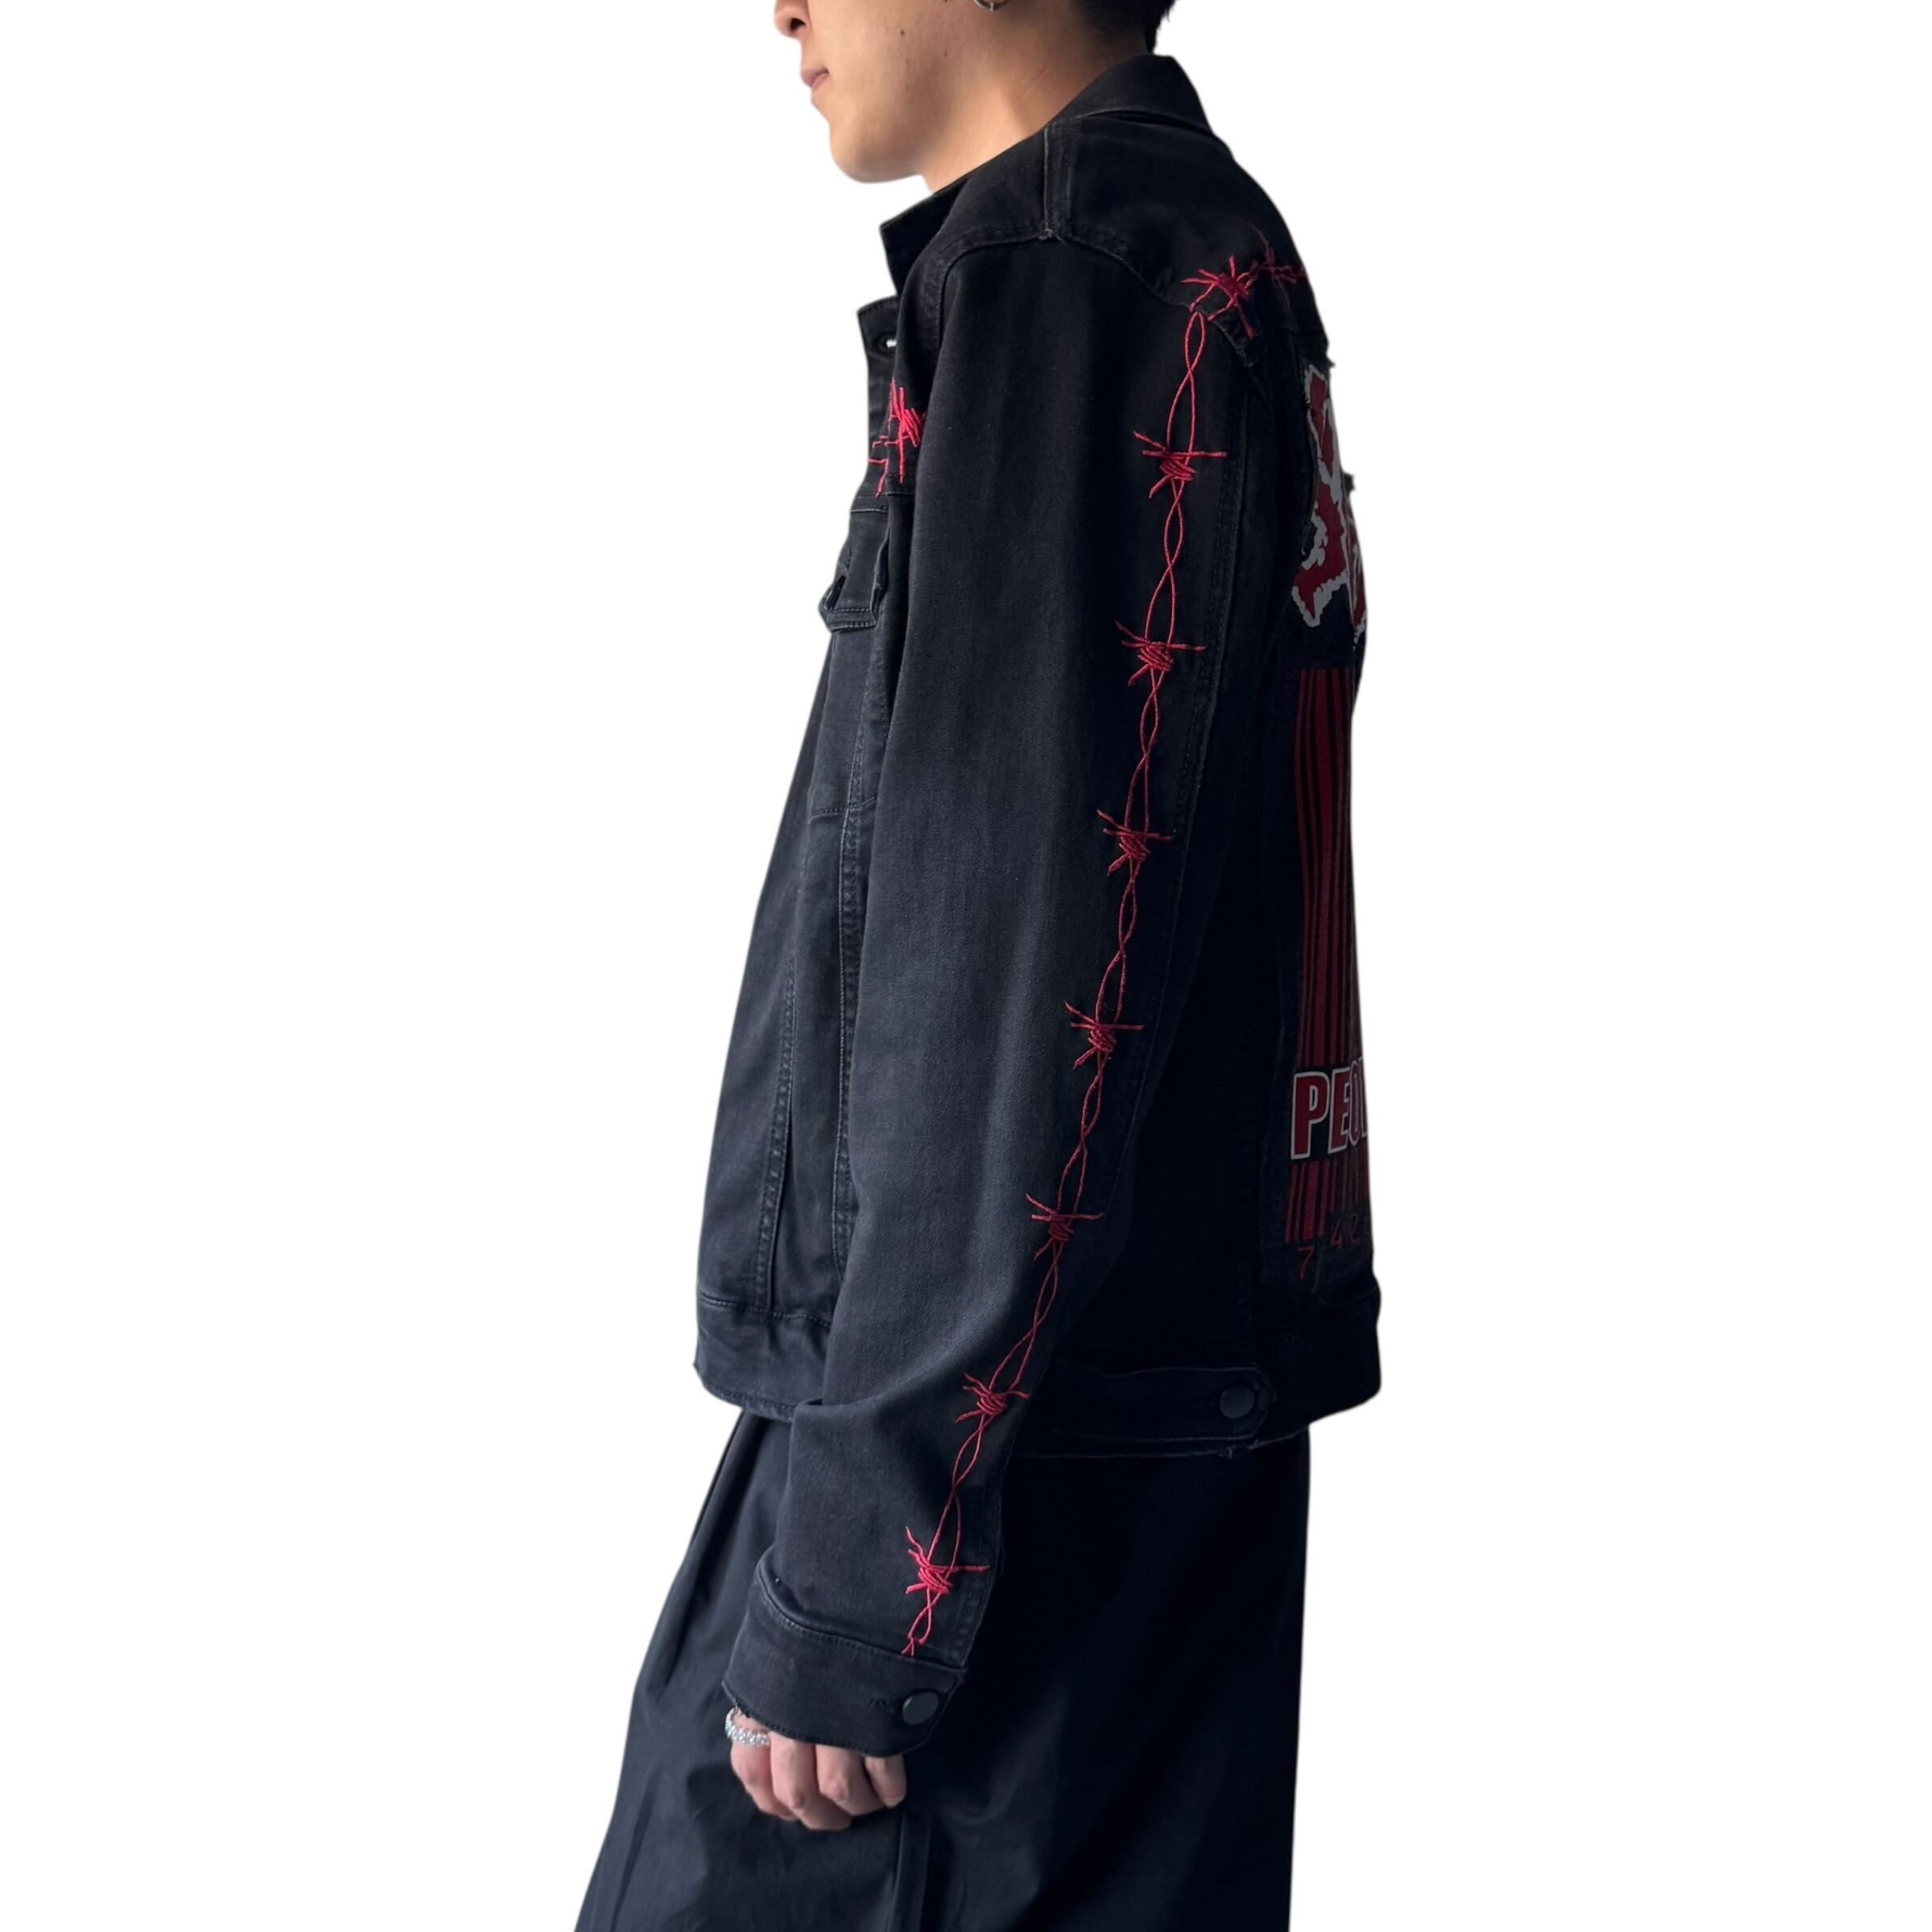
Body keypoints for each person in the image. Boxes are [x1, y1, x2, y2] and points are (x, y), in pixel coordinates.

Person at [575, 6, 1381, 1927]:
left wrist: (869, 1565)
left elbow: (1008, 950)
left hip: (984, 1500)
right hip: (1112, 1440)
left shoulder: (1074, 272)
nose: (779, 4)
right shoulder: (1197, 254)